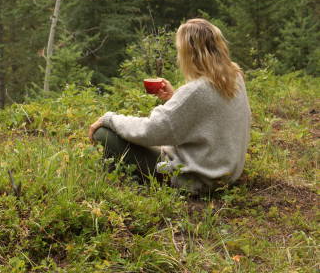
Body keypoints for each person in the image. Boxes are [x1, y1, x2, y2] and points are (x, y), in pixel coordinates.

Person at [88, 18, 251, 194]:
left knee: (104, 133)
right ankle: (118, 181)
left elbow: (150, 131)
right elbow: (208, 119)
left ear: (189, 52)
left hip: (195, 179)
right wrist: (174, 98)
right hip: (225, 175)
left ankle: (118, 188)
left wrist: (109, 118)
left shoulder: (196, 91)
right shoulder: (234, 76)